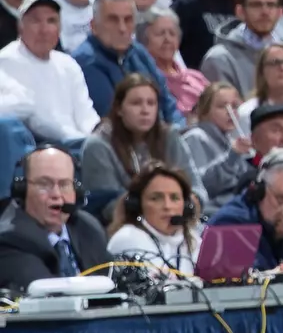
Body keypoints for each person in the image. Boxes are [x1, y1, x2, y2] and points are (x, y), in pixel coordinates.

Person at [80, 74, 190, 221]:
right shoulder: (98, 146)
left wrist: (187, 206)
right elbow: (108, 207)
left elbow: (196, 189)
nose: (145, 110)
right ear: (119, 109)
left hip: (174, 219)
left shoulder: (169, 137)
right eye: (136, 103)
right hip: (122, 228)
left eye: (151, 103)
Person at [0, 145, 111, 290]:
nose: (56, 194)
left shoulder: (88, 227)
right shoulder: (10, 239)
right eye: (44, 184)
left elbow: (112, 278)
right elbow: (50, 297)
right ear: (23, 190)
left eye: (64, 184)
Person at [0, 0, 98, 147]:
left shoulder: (68, 64)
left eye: (51, 21)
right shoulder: (5, 62)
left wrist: (100, 135)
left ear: (59, 28)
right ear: (20, 26)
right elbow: (28, 113)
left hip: (79, 145)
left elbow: (85, 114)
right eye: (35, 21)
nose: (44, 30)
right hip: (37, 150)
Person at [104, 162, 202, 277]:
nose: (167, 206)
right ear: (138, 205)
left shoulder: (192, 238)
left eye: (174, 198)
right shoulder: (128, 238)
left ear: (186, 206)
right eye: (156, 198)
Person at [182, 81, 257, 213]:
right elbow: (202, 186)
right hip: (211, 215)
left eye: (234, 106)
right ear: (205, 111)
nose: (231, 112)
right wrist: (232, 157)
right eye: (222, 107)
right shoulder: (195, 137)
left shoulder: (230, 141)